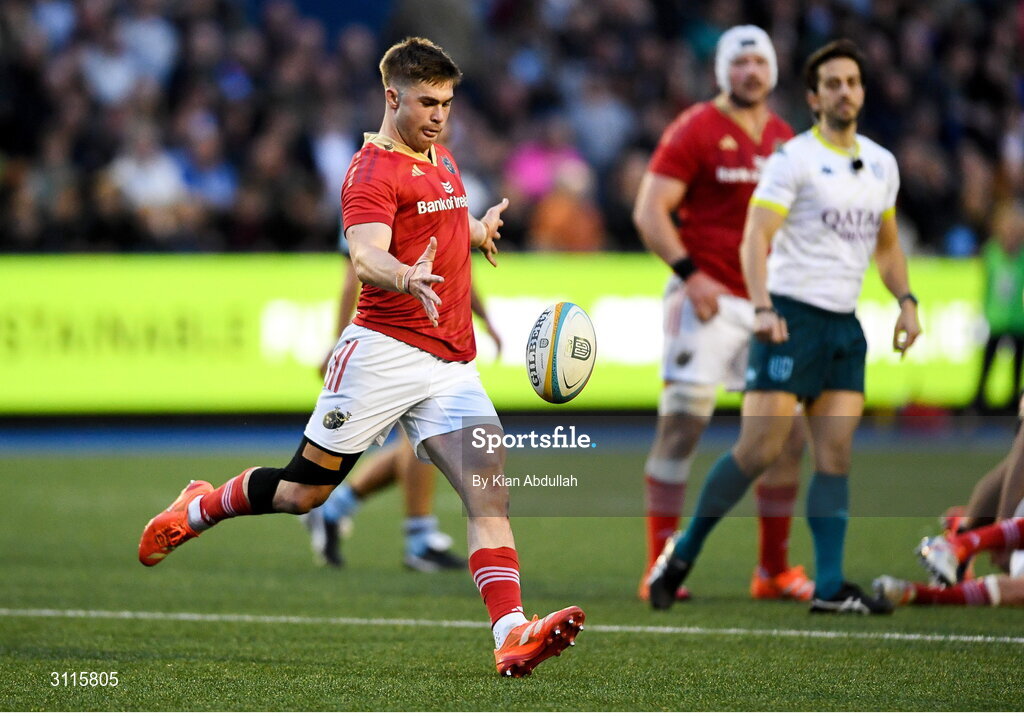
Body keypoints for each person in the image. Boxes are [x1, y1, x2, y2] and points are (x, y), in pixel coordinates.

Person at [139, 37, 584, 677]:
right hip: (382, 352)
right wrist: (403, 277)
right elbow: (367, 255)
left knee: (490, 496)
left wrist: (479, 231)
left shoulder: (442, 160)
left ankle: (511, 633)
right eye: (427, 102)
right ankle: (201, 505)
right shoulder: (371, 172)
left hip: (451, 365)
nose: (439, 115)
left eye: (448, 103)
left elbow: (442, 227)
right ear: (391, 96)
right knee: (301, 494)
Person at [647, 39, 921, 615]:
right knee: (758, 449)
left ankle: (828, 586)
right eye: (834, 83)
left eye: (853, 82)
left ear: (863, 92)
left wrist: (907, 300)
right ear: (814, 96)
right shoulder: (792, 158)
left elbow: (888, 247)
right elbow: (756, 238)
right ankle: (681, 553)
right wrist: (767, 308)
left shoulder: (881, 164)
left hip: (844, 326)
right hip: (791, 317)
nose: (845, 91)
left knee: (834, 454)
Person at [634, 25, 812, 603]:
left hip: (765, 305)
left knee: (788, 438)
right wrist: (691, 275)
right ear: (722, 72)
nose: (751, 73)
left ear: (773, 72)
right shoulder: (696, 128)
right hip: (706, 301)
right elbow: (649, 210)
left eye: (759, 63)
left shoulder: (785, 138)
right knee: (682, 427)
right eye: (739, 64)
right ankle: (659, 564)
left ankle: (772, 571)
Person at [303, 233, 503, 572]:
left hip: (437, 337)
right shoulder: (377, 188)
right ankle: (418, 539)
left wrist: (484, 318)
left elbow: (457, 268)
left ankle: (335, 509)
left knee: (420, 441)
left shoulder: (441, 185)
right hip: (391, 339)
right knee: (423, 439)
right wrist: (338, 341)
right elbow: (354, 275)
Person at [970, 200, 1024, 412]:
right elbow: (988, 286)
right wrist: (984, 312)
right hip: (997, 317)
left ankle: (1013, 400)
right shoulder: (992, 253)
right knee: (988, 361)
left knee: (1017, 366)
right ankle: (980, 400)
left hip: (1018, 319)